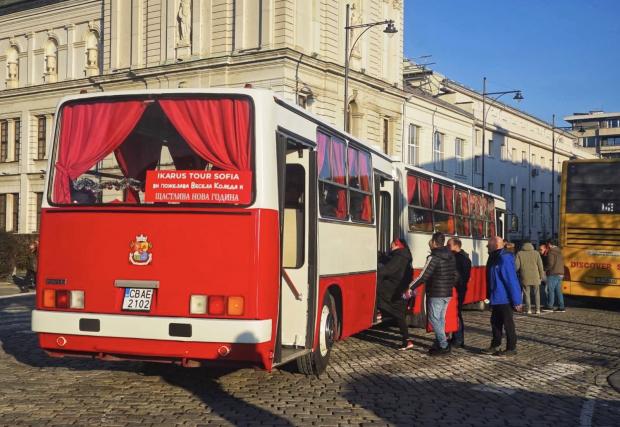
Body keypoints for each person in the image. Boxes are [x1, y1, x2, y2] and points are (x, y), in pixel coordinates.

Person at [406, 232, 457, 356]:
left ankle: (444, 345)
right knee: (440, 319)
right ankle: (441, 343)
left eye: (430, 240)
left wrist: (410, 287)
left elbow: (423, 276)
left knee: (434, 319)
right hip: (447, 293)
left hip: (436, 293)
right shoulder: (450, 256)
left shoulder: (433, 257)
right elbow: (455, 275)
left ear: (434, 242)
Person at [482, 235, 523, 356]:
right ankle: (495, 344)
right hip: (495, 297)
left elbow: (511, 280)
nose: (487, 247)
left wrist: (517, 301)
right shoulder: (493, 257)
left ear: (495, 245)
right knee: (495, 322)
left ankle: (511, 347)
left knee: (508, 323)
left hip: (504, 298)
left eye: (488, 245)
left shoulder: (503, 258)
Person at [376, 239, 414, 351]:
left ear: (397, 245)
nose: (390, 245)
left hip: (393, 289)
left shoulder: (400, 256)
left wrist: (377, 269)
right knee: (400, 316)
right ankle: (407, 341)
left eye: (392, 244)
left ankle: (380, 312)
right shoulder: (403, 255)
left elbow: (388, 270)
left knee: (376, 291)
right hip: (400, 289)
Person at [447, 237, 471, 348]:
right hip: (457, 288)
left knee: (457, 313)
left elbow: (463, 277)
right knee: (454, 313)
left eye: (449, 245)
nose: (447, 247)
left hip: (458, 290)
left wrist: (455, 285)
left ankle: (458, 338)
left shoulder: (462, 259)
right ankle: (456, 337)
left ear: (456, 245)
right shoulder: (458, 257)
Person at [515, 240, 546, 314]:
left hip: (525, 276)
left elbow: (516, 266)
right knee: (536, 293)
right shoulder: (536, 253)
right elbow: (540, 266)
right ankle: (537, 309)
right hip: (536, 276)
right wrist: (542, 276)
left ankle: (528, 310)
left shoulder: (519, 253)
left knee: (527, 294)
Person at [539, 240, 566, 312]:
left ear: (549, 244)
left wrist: (544, 269)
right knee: (558, 291)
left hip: (553, 273)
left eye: (547, 245)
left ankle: (550, 306)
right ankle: (561, 307)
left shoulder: (551, 252)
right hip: (561, 273)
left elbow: (550, 264)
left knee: (550, 290)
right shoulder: (559, 251)